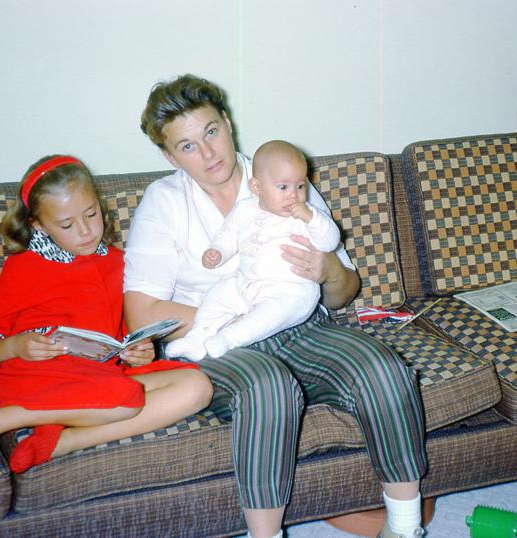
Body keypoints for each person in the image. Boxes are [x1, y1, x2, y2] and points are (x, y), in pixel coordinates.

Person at [125, 74, 427, 538]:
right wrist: (236, 317)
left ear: (227, 124)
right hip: (218, 339)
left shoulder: (280, 176)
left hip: (300, 324)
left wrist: (328, 269)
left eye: (211, 132)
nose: (208, 153)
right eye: (187, 146)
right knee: (268, 387)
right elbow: (142, 314)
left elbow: (345, 291)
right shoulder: (164, 204)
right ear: (170, 157)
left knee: (384, 370)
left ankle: (405, 527)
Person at [0, 155, 213, 473]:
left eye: (91, 214)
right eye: (67, 225)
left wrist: (138, 353)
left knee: (197, 387)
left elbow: (121, 338)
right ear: (39, 225)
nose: (86, 231)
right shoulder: (25, 266)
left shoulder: (120, 262)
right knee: (125, 400)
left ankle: (62, 441)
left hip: (99, 377)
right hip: (37, 377)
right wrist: (15, 346)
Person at [164, 140, 340, 361]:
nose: (293, 195)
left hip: (290, 291)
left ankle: (228, 338)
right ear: (256, 187)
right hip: (246, 283)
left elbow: (330, 241)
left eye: (300, 186)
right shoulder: (244, 209)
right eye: (283, 187)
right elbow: (228, 235)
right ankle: (197, 338)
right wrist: (218, 251)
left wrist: (311, 218)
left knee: (271, 314)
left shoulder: (306, 216)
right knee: (218, 294)